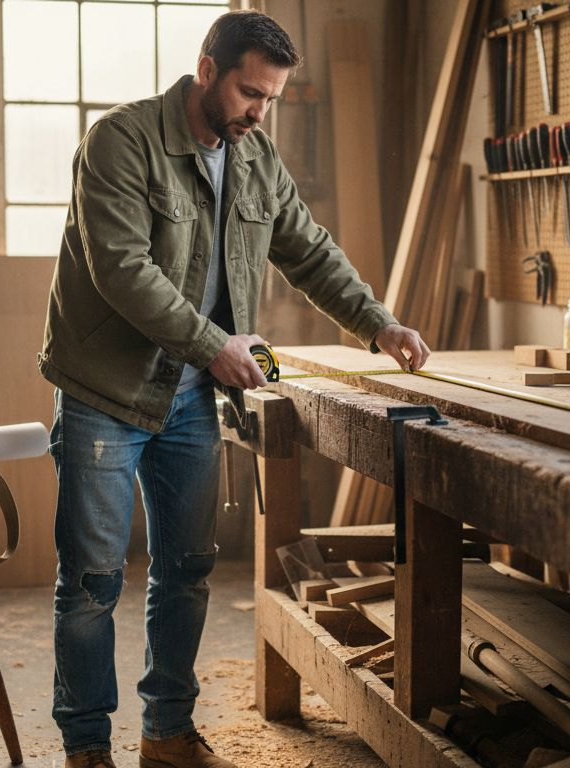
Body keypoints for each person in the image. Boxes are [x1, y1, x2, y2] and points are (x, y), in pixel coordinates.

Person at [37, 10, 430, 768]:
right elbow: (122, 268)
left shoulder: (255, 157)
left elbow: (309, 251)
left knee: (185, 571)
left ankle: (167, 735)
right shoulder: (120, 143)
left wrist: (378, 323)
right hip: (105, 394)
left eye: (272, 98)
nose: (259, 111)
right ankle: (86, 749)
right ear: (207, 70)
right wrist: (215, 345)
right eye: (251, 92)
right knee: (91, 581)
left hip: (190, 396)